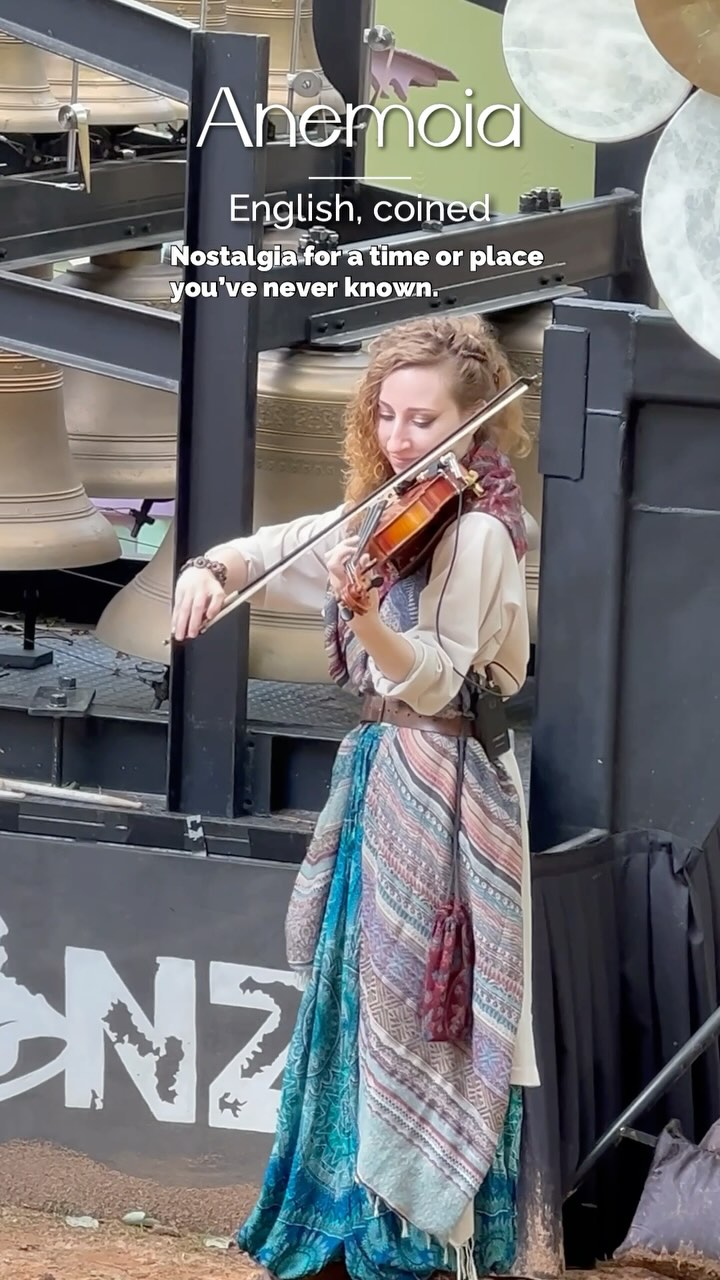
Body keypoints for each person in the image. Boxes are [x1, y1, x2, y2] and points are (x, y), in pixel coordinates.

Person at [171, 314, 540, 1280]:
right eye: (387, 415)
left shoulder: (483, 537)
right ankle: (339, 1230)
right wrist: (210, 570)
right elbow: (269, 547)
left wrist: (367, 615)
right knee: (357, 1002)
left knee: (421, 1016)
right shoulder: (382, 517)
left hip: (452, 789)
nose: (400, 438)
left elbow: (435, 679)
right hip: (384, 779)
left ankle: (413, 1245)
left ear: (473, 427)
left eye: (424, 421)